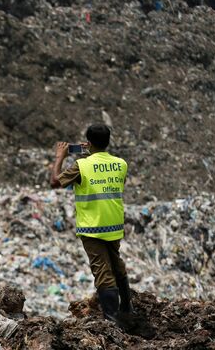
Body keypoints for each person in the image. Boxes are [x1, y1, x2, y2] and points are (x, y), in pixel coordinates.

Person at [50, 124, 132, 324]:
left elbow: (55, 182)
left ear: (88, 142)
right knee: (116, 264)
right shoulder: (121, 164)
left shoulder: (82, 165)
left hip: (93, 227)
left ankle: (111, 321)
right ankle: (127, 307)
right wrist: (93, 150)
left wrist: (60, 156)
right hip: (114, 224)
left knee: (102, 271)